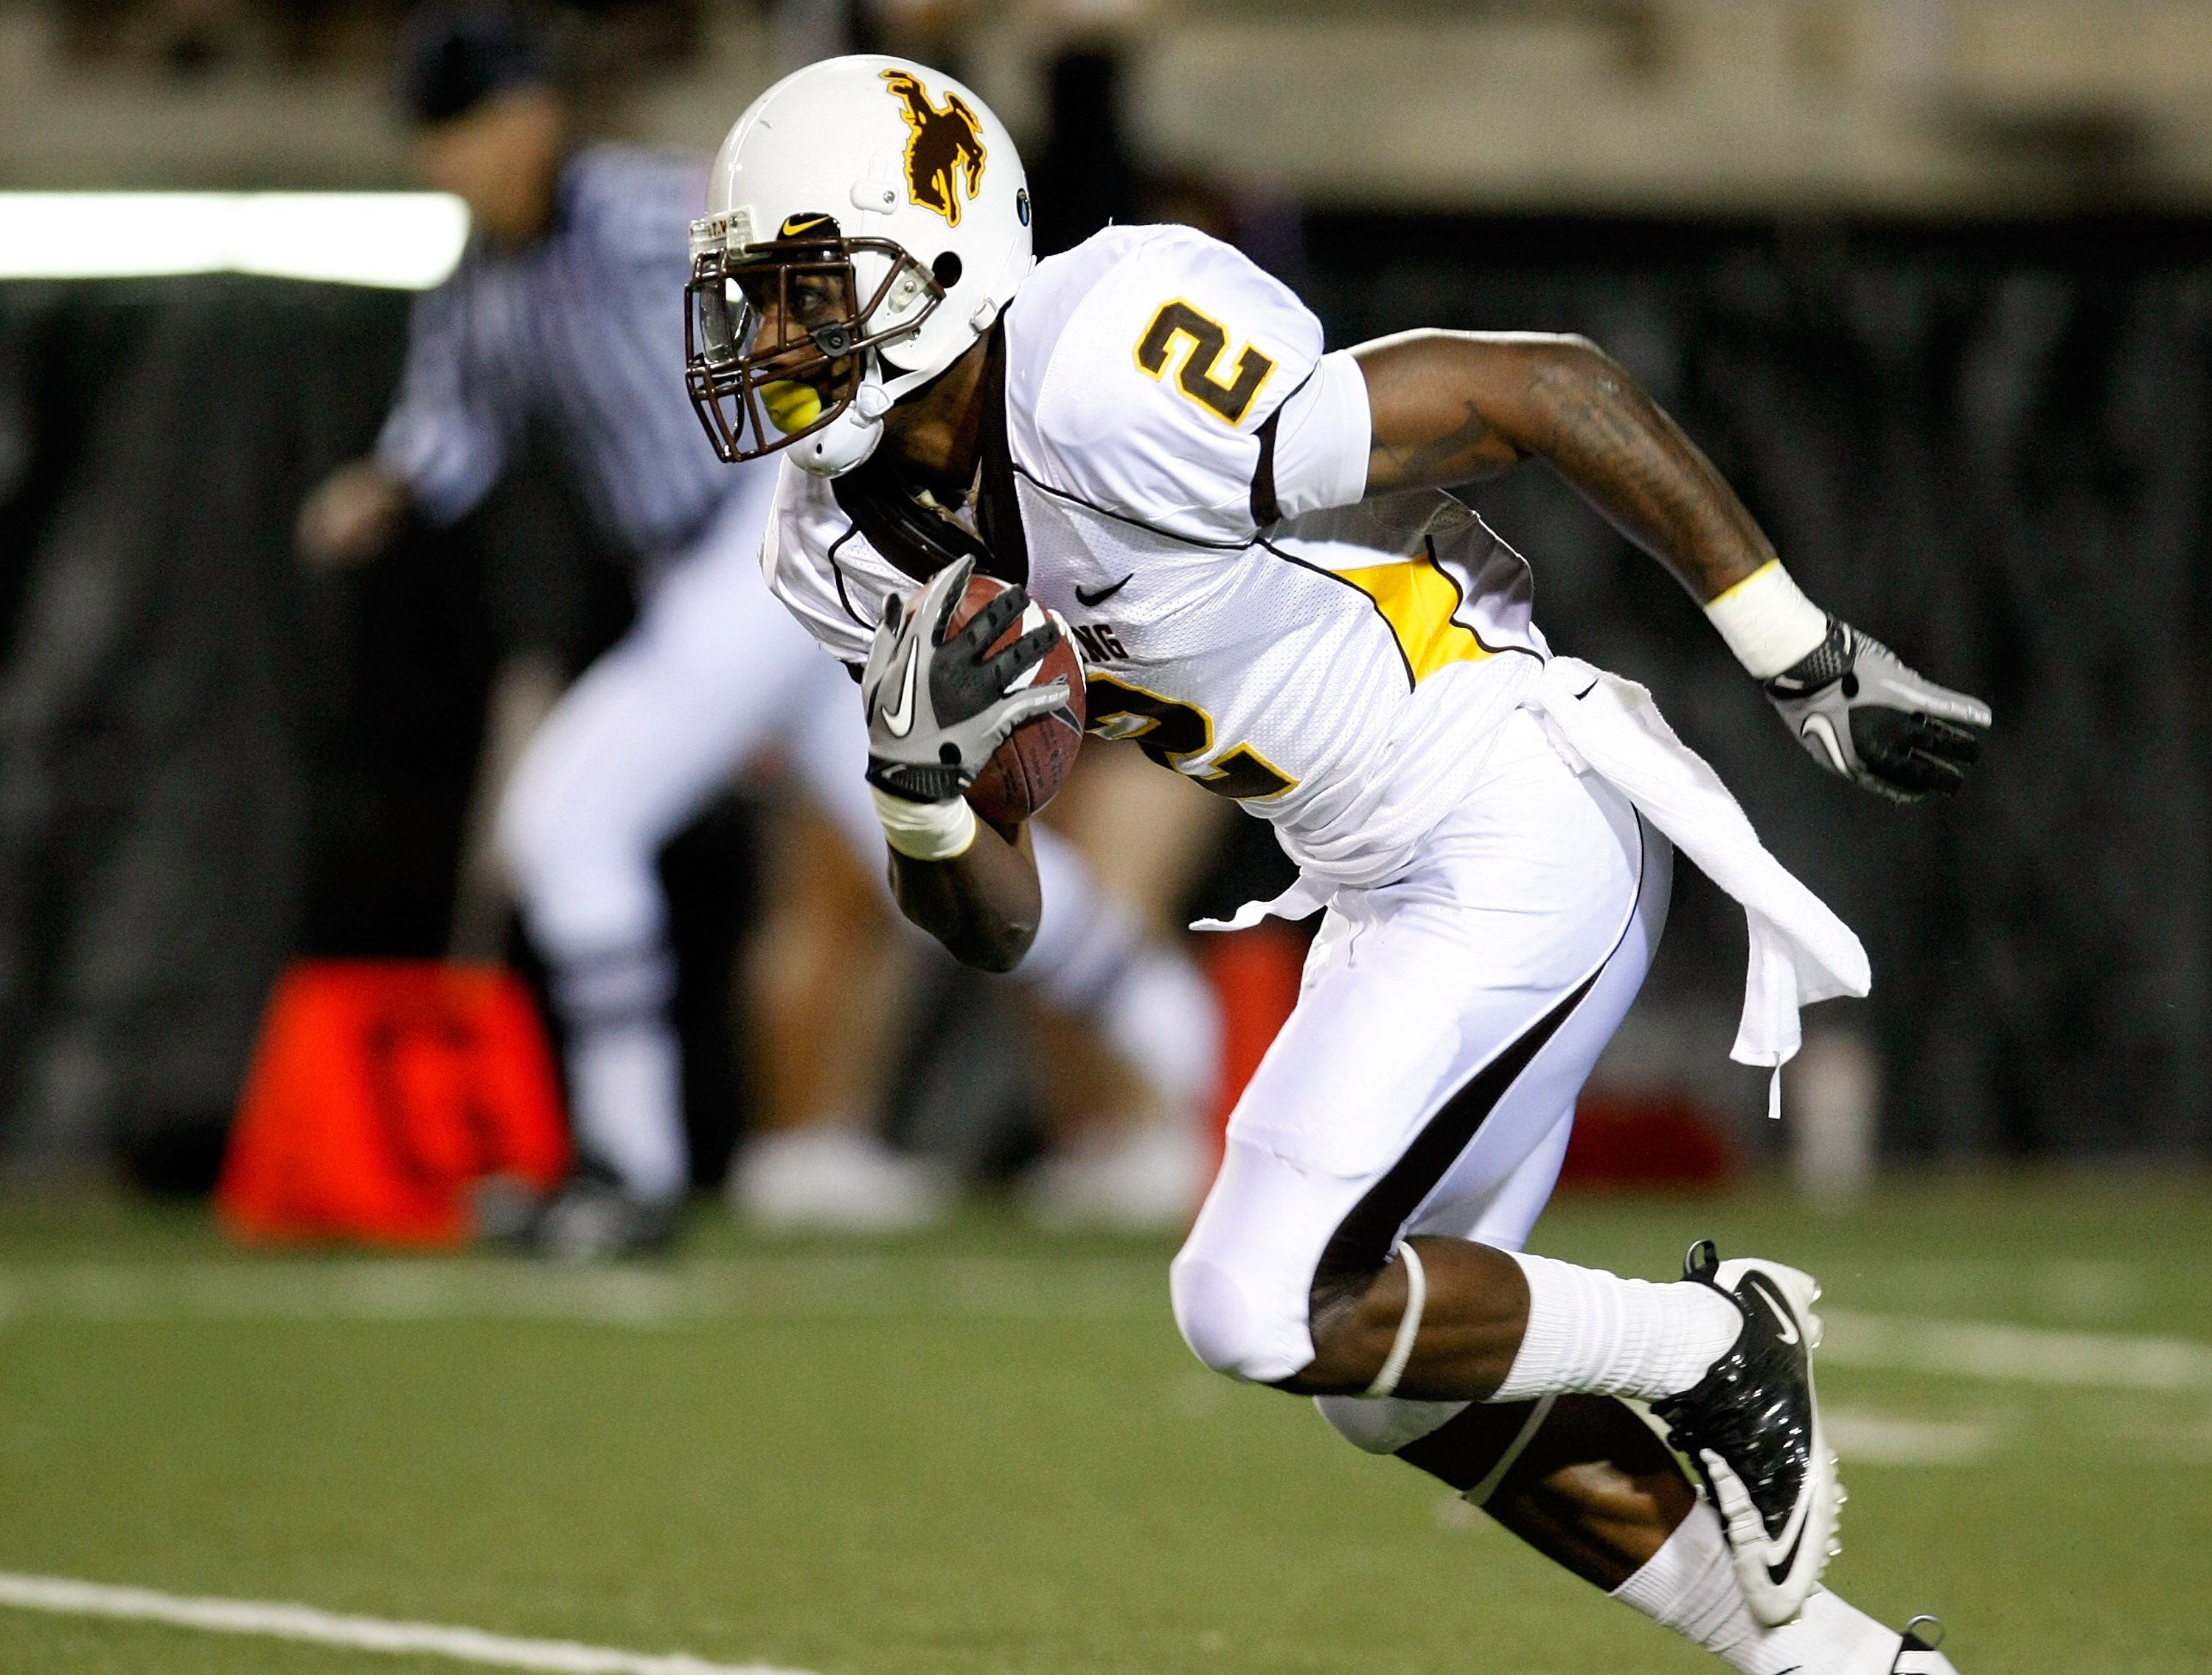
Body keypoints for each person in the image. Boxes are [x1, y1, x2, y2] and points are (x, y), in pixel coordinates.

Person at [686, 54, 1987, 1674]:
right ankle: (1860, 1666)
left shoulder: (1100, 364)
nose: (772, 345)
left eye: (808, 292)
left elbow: (1546, 386)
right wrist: (927, 805)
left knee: (1252, 1298)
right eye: (752, 301)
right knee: (1389, 1377)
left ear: (942, 256)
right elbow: (1003, 925)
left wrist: (1801, 654)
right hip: (1381, 882)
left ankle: (1717, 1340)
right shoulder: (833, 539)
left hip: (1512, 809)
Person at [297, 6, 1219, 1253]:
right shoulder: (479, 284)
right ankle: (1171, 1026)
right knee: (927, 832)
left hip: (761, 529)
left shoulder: (637, 207)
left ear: (540, 114)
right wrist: (388, 487)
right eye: (448, 135)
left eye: (486, 123)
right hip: (726, 578)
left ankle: (631, 1169)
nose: (470, 157)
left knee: (568, 817)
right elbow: (450, 425)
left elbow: (795, 237)